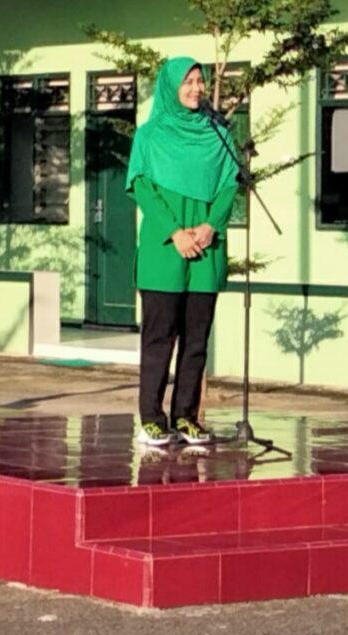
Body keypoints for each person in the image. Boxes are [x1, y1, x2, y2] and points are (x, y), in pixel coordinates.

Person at [126, 57, 239, 446]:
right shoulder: (149, 136)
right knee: (159, 339)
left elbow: (230, 183)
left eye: (199, 81)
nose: (196, 88)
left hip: (206, 248)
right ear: (170, 87)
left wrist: (211, 225)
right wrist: (175, 232)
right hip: (164, 249)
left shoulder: (218, 134)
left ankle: (186, 417)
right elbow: (141, 187)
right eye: (187, 82)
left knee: (196, 340)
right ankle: (151, 420)